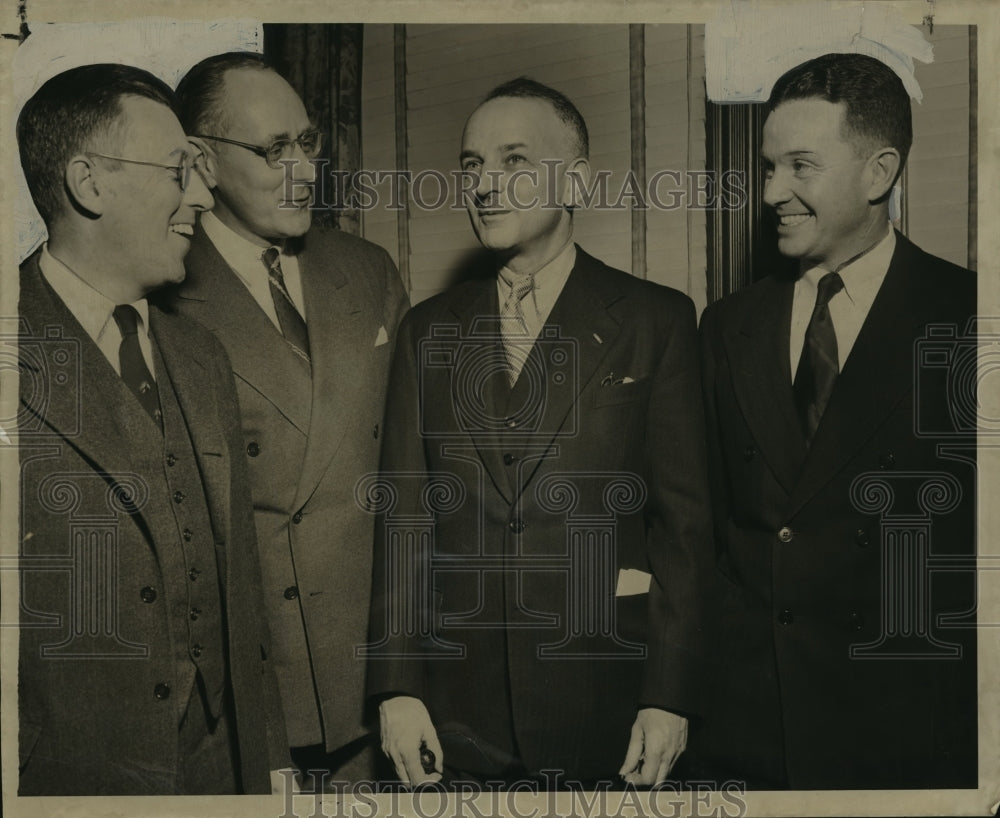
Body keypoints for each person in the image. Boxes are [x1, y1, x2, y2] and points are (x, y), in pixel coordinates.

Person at [366, 77, 712, 788]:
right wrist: (396, 689)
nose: (485, 186)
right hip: (458, 720)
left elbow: (686, 528)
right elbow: (405, 519)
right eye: (471, 166)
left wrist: (669, 695)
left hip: (607, 709)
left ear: (576, 181)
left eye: (514, 161)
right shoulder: (426, 332)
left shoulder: (657, 322)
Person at [693, 52, 977, 789]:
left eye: (800, 166)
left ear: (879, 173)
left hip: (901, 737)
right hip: (748, 733)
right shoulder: (728, 326)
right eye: (767, 166)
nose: (772, 192)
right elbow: (708, 529)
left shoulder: (969, 319)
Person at [15, 62, 286, 795]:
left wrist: (266, 768)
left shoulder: (201, 358)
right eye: (177, 172)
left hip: (218, 774)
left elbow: (243, 598)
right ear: (89, 182)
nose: (202, 195)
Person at [166, 52, 409, 786]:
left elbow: (414, 475)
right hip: (256, 691)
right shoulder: (165, 289)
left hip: (379, 679)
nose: (303, 170)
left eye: (307, 143)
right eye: (274, 151)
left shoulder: (367, 270)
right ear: (202, 162)